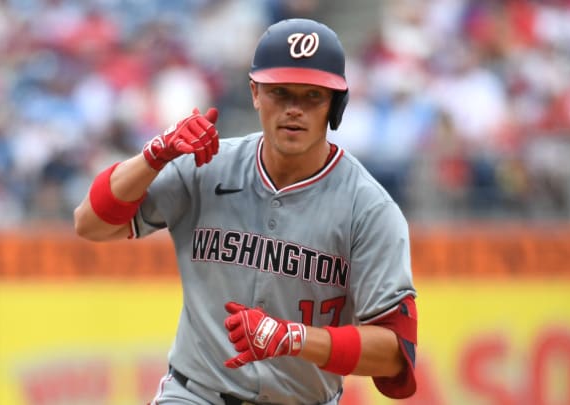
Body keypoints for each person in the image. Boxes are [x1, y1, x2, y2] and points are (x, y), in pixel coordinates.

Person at [74, 18, 417, 405]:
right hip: (195, 394)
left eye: (312, 96)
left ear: (335, 104)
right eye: (280, 92)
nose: (294, 109)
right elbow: (91, 224)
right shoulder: (207, 164)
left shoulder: (368, 208)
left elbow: (395, 354)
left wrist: (295, 338)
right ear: (255, 93)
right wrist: (154, 155)